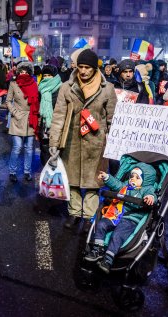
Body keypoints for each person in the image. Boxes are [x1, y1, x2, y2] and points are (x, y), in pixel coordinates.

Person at [48, 49, 117, 233]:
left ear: (95, 69)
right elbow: (58, 117)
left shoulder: (107, 89)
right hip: (71, 142)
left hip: (97, 144)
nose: (84, 71)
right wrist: (53, 143)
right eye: (81, 67)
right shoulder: (66, 87)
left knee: (94, 183)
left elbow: (112, 119)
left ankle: (88, 216)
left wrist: (115, 144)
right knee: (73, 181)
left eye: (88, 67)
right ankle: (74, 213)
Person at [84, 164, 157, 273]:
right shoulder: (126, 187)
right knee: (101, 224)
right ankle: (97, 249)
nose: (133, 179)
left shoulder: (147, 189)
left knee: (118, 234)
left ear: (145, 180)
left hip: (131, 218)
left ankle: (108, 259)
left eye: (137, 177)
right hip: (116, 215)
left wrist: (150, 198)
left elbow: (152, 195)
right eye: (132, 176)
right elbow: (116, 184)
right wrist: (107, 178)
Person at [5, 62, 39, 182]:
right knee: (17, 147)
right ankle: (12, 171)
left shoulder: (34, 84)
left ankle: (27, 171)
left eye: (26, 72)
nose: (23, 74)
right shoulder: (13, 84)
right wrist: (15, 112)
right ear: (18, 73)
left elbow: (36, 102)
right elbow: (8, 101)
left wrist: (36, 117)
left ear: (29, 73)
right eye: (21, 72)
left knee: (29, 148)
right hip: (18, 119)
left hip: (31, 119)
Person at [38, 64, 62, 165]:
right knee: (44, 148)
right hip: (44, 125)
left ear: (54, 76)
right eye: (45, 75)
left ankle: (57, 172)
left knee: (57, 148)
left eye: (49, 75)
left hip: (57, 124)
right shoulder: (40, 89)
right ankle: (45, 170)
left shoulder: (61, 88)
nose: (46, 77)